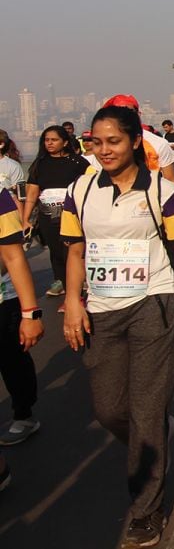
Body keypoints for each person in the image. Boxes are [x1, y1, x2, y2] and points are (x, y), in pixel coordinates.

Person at [60, 105, 174, 548]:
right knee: (108, 409)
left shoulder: (161, 190)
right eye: (96, 143)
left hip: (154, 303)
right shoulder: (79, 191)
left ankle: (147, 511)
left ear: (135, 142)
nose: (104, 150)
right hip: (101, 309)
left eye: (113, 141)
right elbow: (76, 252)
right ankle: (156, 432)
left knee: (144, 410)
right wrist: (71, 302)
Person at [22, 125, 91, 304]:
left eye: (54, 140)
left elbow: (92, 188)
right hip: (48, 218)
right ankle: (70, 295)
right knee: (57, 255)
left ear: (65, 142)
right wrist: (25, 219)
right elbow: (31, 195)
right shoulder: (40, 164)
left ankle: (77, 297)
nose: (49, 143)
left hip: (72, 217)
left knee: (73, 254)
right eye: (46, 140)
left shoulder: (79, 163)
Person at [0, 184, 42, 454]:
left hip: (4, 299)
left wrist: (31, 314)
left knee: (12, 358)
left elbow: (12, 257)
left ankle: (23, 414)